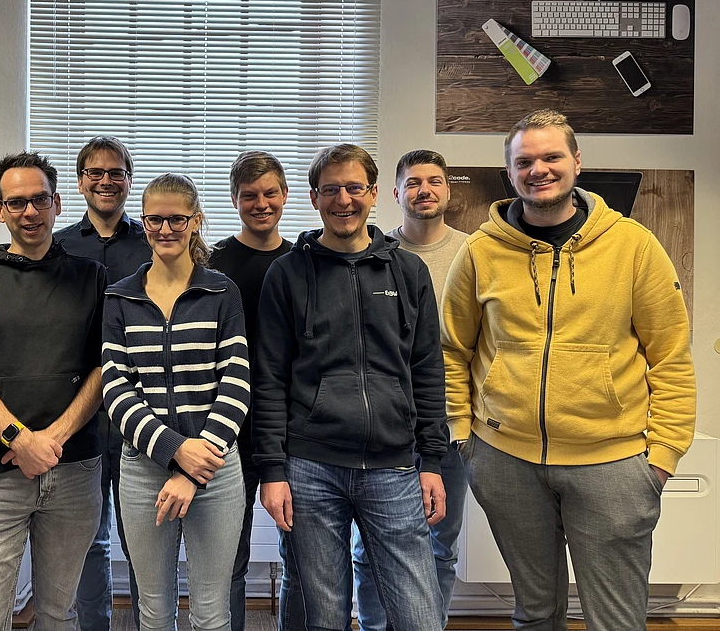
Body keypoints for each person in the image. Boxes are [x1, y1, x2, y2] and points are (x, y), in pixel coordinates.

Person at [442, 109, 696, 631]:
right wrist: (462, 437)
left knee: (616, 621)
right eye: (524, 161)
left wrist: (663, 455)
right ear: (509, 172)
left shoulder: (633, 245)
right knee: (535, 614)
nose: (539, 169)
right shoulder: (480, 251)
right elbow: (451, 350)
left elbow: (671, 356)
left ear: (577, 162)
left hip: (612, 464)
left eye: (552, 156)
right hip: (505, 460)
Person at [254, 143, 446, 631]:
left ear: (374, 193)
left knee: (419, 617)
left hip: (394, 467)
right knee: (324, 617)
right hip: (310, 467)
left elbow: (427, 369)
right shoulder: (288, 274)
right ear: (314, 198)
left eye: (354, 187)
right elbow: (270, 378)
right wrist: (273, 469)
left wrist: (433, 460)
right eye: (331, 190)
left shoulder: (408, 272)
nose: (343, 200)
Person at [0, 151, 106, 630]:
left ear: (58, 203)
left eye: (40, 200)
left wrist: (50, 440)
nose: (30, 212)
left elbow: (104, 365)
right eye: (17, 203)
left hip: (73, 469)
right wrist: (20, 438)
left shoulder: (91, 277)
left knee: (58, 613)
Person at [102, 173, 250, 631]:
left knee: (212, 613)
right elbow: (116, 387)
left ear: (196, 221)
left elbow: (237, 381)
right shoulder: (120, 296)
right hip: (143, 471)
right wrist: (174, 451)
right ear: (143, 222)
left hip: (216, 467)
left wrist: (193, 466)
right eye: (154, 220)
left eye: (177, 219)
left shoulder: (221, 292)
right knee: (153, 611)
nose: (165, 229)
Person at [352, 150, 468, 630]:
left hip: (452, 422)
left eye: (435, 181)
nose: (425, 190)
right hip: (386, 425)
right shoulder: (375, 254)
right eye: (414, 182)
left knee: (441, 544)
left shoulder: (473, 252)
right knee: (370, 547)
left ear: (448, 190)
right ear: (396, 193)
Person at [55, 136, 151, 631]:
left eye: (116, 172)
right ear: (80, 182)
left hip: (143, 409)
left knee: (144, 538)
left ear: (129, 181)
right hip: (81, 411)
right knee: (88, 539)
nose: (106, 181)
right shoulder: (58, 246)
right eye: (95, 172)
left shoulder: (153, 241)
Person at [206, 151, 298, 631]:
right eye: (249, 196)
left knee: (301, 556)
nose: (261, 204)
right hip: (229, 426)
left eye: (270, 193)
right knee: (229, 560)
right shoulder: (212, 263)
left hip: (293, 425)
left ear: (285, 195)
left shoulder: (304, 260)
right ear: (234, 200)